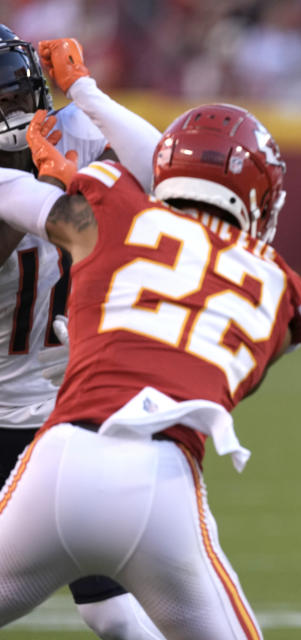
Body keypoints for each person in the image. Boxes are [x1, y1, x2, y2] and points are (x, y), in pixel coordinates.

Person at [0, 88, 301, 637]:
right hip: (160, 481)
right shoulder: (288, 290)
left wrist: (82, 94)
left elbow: (32, 193)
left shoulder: (115, 208)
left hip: (61, 452)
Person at [0, 27, 164, 639]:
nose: (15, 115)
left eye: (18, 96)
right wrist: (70, 183)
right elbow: (76, 227)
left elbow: (162, 167)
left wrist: (87, 92)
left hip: (65, 412)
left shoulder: (59, 134)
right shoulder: (20, 179)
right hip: (10, 405)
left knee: (112, 609)